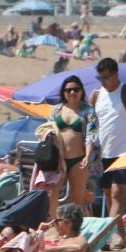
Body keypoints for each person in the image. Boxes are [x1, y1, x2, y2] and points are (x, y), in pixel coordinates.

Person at [91, 58, 126, 249]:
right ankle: (121, 236)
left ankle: (104, 238)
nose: (103, 81)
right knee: (109, 196)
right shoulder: (96, 95)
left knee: (118, 193)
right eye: (100, 78)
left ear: (116, 74)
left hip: (125, 151)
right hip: (105, 152)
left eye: (106, 77)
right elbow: (94, 125)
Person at [50, 75, 91, 209]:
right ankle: (53, 223)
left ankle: (75, 227)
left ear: (81, 91)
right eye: (68, 90)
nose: (72, 92)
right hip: (58, 159)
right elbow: (47, 130)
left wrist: (88, 155)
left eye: (76, 89)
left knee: (77, 198)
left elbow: (92, 134)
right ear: (64, 93)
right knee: (52, 193)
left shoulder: (88, 111)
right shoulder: (57, 110)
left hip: (78, 160)